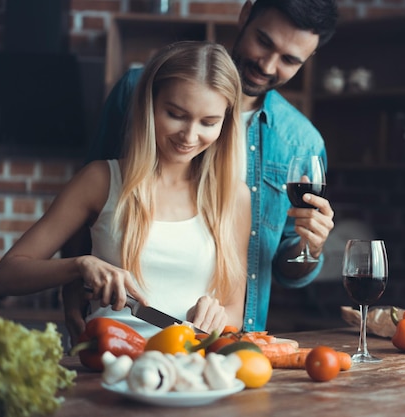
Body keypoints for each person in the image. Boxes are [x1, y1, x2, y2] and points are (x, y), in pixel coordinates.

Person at [63, 0, 339, 338]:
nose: (267, 65)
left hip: (222, 342)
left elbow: (287, 270)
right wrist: (72, 281)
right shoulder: (137, 90)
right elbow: (86, 205)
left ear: (308, 59)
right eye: (264, 42)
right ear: (245, 15)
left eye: (289, 60)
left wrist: (310, 246)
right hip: (112, 332)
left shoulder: (302, 143)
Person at [0, 41, 251, 338]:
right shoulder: (100, 180)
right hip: (107, 363)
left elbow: (233, 310)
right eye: (176, 115)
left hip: (190, 367)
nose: (190, 136)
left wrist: (218, 316)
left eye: (208, 122)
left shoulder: (234, 197)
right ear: (149, 105)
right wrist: (80, 266)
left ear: (225, 124)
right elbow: (3, 277)